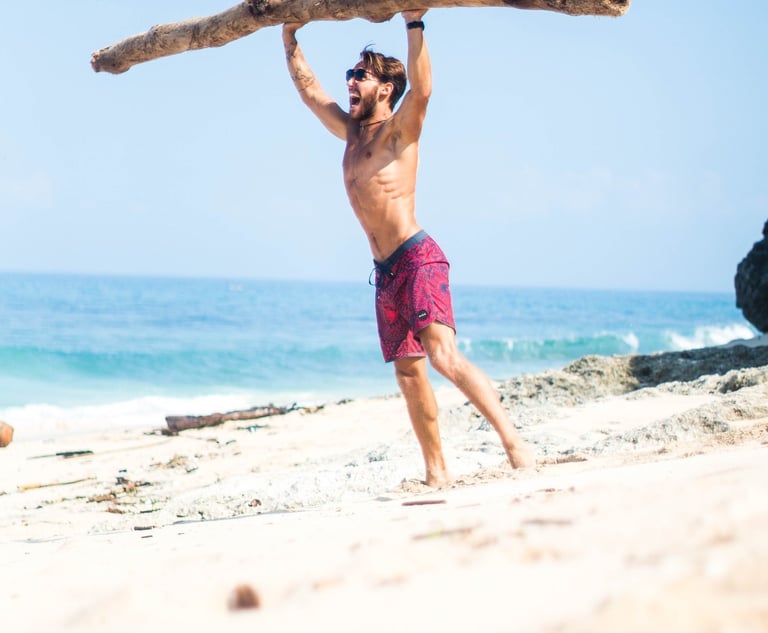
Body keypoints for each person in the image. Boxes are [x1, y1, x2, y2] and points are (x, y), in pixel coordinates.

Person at [282, 10, 535, 486]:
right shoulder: (351, 133)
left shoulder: (400, 130)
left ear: (383, 89)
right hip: (385, 272)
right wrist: (289, 35)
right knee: (409, 374)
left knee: (444, 358)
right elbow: (310, 92)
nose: (351, 82)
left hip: (418, 258)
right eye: (350, 75)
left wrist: (414, 23)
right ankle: (436, 472)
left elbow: (424, 90)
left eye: (361, 75)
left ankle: (514, 444)